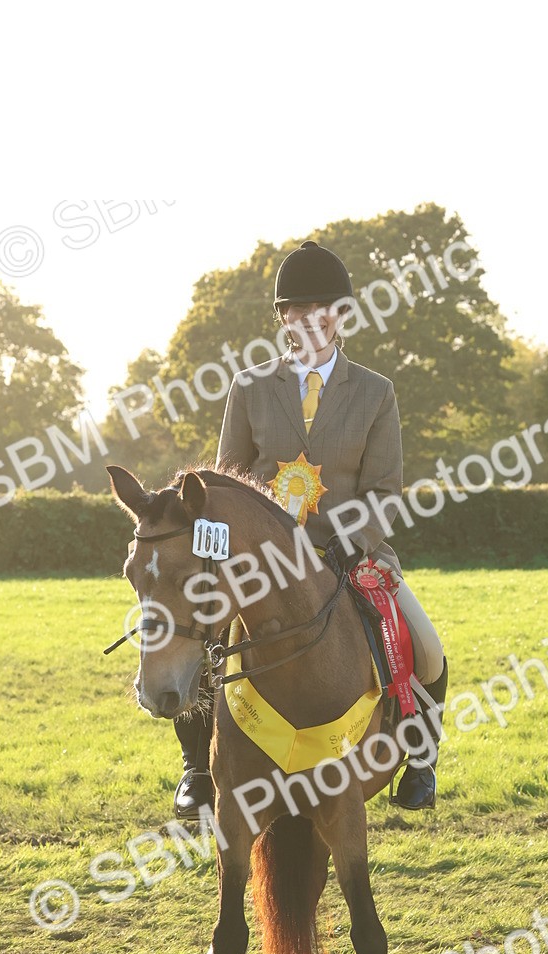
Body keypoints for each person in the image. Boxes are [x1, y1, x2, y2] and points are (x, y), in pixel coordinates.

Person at [173, 240, 448, 819]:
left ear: (342, 317)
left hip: (348, 555)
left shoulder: (375, 393)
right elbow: (225, 484)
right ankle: (198, 769)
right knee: (197, 638)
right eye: (295, 313)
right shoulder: (249, 388)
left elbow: (385, 490)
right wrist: (213, 555)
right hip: (259, 562)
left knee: (427, 648)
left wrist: (352, 540)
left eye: (321, 311)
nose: (308, 323)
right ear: (283, 320)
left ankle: (420, 760)